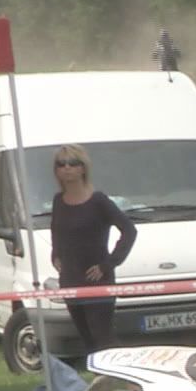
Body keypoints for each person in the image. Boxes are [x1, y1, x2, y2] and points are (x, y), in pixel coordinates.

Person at [47, 144, 136, 354]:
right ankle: (99, 381)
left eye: (72, 163)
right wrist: (55, 255)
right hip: (70, 278)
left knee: (103, 337)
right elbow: (56, 231)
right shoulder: (58, 201)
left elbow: (129, 231)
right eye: (61, 164)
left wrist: (109, 263)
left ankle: (120, 376)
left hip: (97, 279)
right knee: (87, 338)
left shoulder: (98, 200)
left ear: (83, 168)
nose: (66, 168)